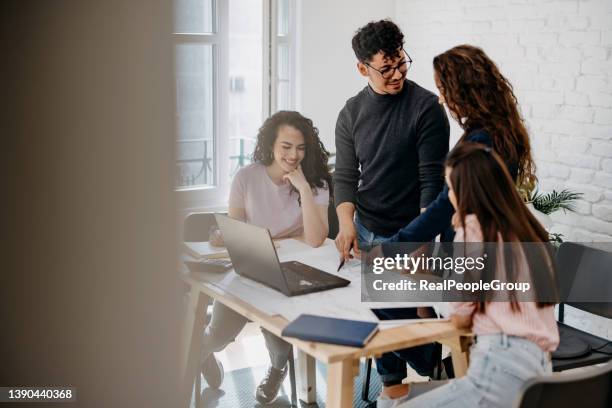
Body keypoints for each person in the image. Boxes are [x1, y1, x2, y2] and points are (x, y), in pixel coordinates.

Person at [376, 44, 541, 407]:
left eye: (443, 88)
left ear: (460, 89)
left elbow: (444, 204)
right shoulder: (498, 128)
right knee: (393, 286)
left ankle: (436, 366)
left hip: (470, 254)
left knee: (381, 286)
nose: (440, 97)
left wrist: (398, 244)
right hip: (472, 251)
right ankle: (437, 365)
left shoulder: (482, 139)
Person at [391, 143, 559, 407]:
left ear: (466, 190)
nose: (450, 198)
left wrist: (426, 289)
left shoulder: (474, 230)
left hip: (499, 366)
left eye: (451, 189)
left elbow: (459, 317)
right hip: (540, 369)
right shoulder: (528, 229)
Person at [333, 20, 449, 397]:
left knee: (405, 321)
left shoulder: (426, 108)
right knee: (381, 318)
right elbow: (346, 176)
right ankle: (393, 389)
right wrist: (345, 223)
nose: (397, 73)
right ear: (362, 68)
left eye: (401, 62)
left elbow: (432, 180)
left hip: (407, 229)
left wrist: (419, 240)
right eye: (386, 68)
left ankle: (435, 367)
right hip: (367, 227)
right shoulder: (350, 113)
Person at [200, 111, 331, 404]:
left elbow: (315, 239)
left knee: (280, 332)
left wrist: (304, 190)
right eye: (286, 146)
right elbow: (235, 230)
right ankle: (205, 352)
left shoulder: (316, 183)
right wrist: (223, 235)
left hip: (293, 271)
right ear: (271, 145)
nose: (293, 155)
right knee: (218, 334)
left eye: (300, 148)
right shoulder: (246, 177)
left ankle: (276, 369)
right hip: (251, 267)